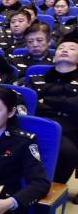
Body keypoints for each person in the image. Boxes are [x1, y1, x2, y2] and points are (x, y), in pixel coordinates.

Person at [29, 40, 78, 183]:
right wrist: (64, 105)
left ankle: (54, 186)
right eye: (61, 48)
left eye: (72, 48)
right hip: (39, 125)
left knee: (67, 151)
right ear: (54, 57)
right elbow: (29, 103)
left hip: (71, 129)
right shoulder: (35, 79)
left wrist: (47, 100)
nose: (65, 50)